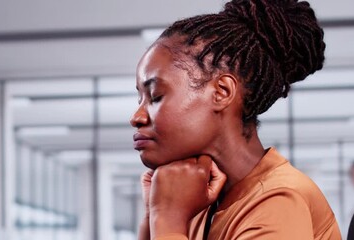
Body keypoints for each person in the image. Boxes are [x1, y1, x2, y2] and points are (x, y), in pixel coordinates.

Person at [130, 0, 341, 239]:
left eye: (155, 96)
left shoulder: (279, 201)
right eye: (140, 99)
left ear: (222, 92)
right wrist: (152, 217)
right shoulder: (201, 203)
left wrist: (168, 218)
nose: (137, 117)